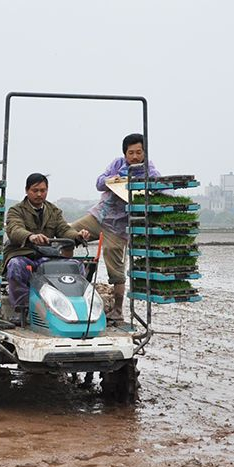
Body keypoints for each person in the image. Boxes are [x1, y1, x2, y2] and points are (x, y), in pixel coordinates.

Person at [70, 133, 160, 324]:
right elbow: (99, 183)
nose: (134, 157)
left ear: (145, 152)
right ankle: (68, 281)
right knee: (67, 234)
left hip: (119, 227)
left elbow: (163, 190)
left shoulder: (149, 172)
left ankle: (118, 310)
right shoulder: (117, 164)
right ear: (124, 154)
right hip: (100, 216)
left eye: (138, 152)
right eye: (130, 153)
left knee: (116, 267)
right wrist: (114, 178)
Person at [4, 173, 90, 315]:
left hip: (46, 256)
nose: (39, 194)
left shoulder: (53, 211)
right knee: (15, 265)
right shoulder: (16, 210)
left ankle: (73, 308)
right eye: (35, 190)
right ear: (27, 190)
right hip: (23, 255)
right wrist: (31, 237)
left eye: (43, 190)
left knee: (77, 266)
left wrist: (78, 235)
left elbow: (64, 229)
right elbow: (14, 229)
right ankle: (22, 309)